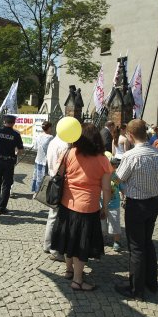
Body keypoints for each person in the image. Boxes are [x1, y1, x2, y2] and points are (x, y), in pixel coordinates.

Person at [50, 123, 113, 291]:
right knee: (81, 244)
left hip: (66, 203)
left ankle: (69, 270)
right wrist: (105, 208)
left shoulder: (69, 153)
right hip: (87, 207)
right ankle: (78, 280)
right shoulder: (103, 159)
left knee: (69, 238)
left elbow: (58, 174)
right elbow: (107, 188)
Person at [114, 119, 158, 300]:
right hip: (153, 203)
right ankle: (151, 282)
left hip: (136, 204)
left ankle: (136, 289)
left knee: (136, 247)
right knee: (147, 242)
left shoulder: (131, 156)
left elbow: (118, 178)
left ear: (130, 135)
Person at [0, 115, 24, 215]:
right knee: (7, 184)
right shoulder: (15, 134)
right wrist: (16, 154)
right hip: (9, 162)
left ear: (4, 122)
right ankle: (2, 207)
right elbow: (20, 150)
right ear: (13, 123)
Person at [43, 134, 70, 261]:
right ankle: (54, 248)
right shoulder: (64, 145)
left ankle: (47, 245)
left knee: (52, 214)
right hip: (60, 181)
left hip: (53, 178)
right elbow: (62, 167)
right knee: (57, 215)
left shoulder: (54, 141)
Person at [101, 156, 123, 252]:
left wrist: (125, 194)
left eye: (114, 165)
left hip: (114, 204)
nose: (113, 167)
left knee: (114, 224)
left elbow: (122, 187)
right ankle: (101, 239)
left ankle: (116, 242)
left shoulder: (116, 176)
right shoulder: (100, 176)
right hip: (101, 204)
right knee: (102, 225)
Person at [31, 121, 54, 195]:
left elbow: (35, 147)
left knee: (38, 176)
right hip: (45, 160)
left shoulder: (38, 136)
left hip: (38, 158)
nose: (52, 129)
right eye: (51, 127)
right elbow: (52, 149)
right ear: (49, 128)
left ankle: (36, 192)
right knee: (45, 176)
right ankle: (43, 193)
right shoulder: (50, 137)